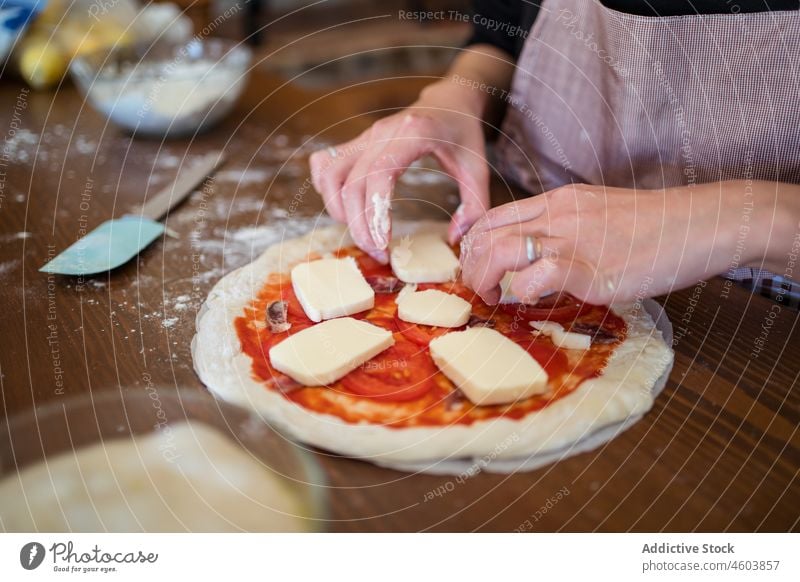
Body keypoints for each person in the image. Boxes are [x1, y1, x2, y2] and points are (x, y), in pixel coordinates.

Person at [310, 0, 800, 307]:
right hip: (527, 217)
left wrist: (736, 218)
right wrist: (454, 97)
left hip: (756, 304)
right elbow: (503, 27)